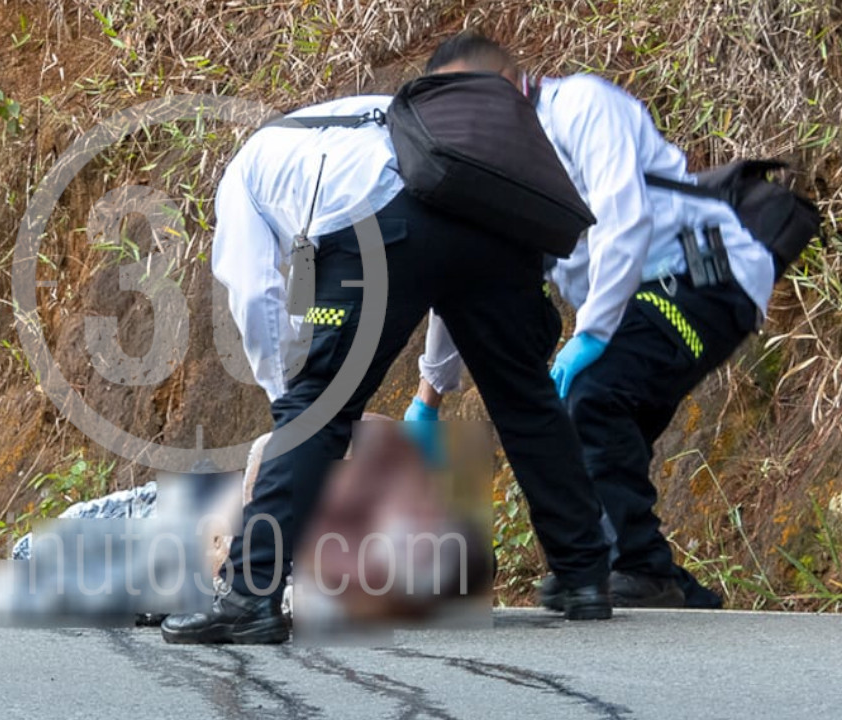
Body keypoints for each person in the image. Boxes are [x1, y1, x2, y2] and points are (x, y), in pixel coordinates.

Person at [161, 36, 615, 645]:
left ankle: (250, 595)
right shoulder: (385, 116)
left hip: (383, 228)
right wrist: (436, 378)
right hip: (489, 219)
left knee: (317, 406)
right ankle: (584, 575)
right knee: (525, 397)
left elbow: (254, 293)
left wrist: (289, 402)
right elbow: (452, 276)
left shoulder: (248, 171)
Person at [405, 32, 774, 609]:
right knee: (577, 428)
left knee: (592, 396)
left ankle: (639, 569)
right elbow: (469, 278)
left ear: (504, 84)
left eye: (466, 98)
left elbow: (623, 222)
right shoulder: (493, 165)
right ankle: (663, 585)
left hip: (703, 277)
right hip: (638, 304)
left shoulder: (581, 106)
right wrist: (428, 398)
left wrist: (589, 338)